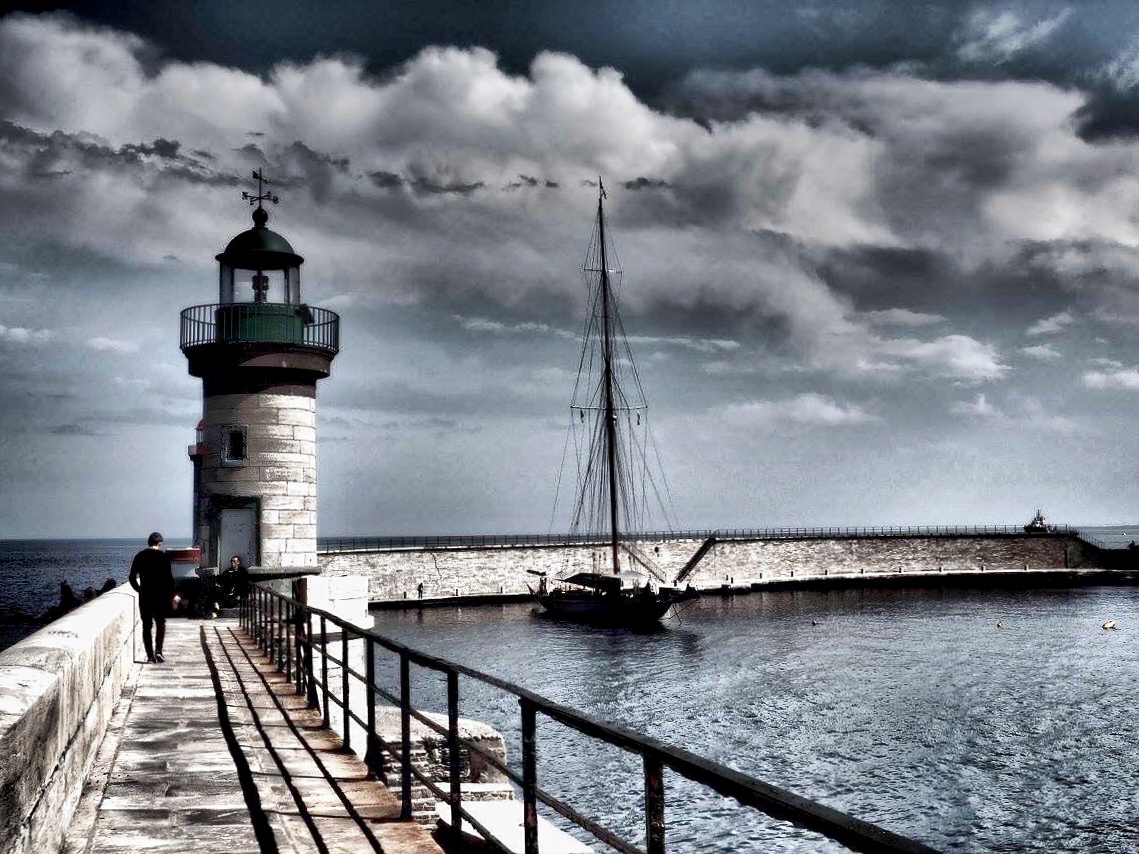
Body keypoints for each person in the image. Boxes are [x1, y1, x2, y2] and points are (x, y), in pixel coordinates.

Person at [129, 532, 175, 663]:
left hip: (145, 596)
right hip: (160, 597)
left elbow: (132, 578)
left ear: (148, 543)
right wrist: (172, 596)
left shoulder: (139, 556)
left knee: (146, 626)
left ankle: (150, 656)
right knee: (160, 623)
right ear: (159, 544)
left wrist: (140, 590)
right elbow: (169, 580)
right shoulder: (164, 557)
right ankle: (158, 651)